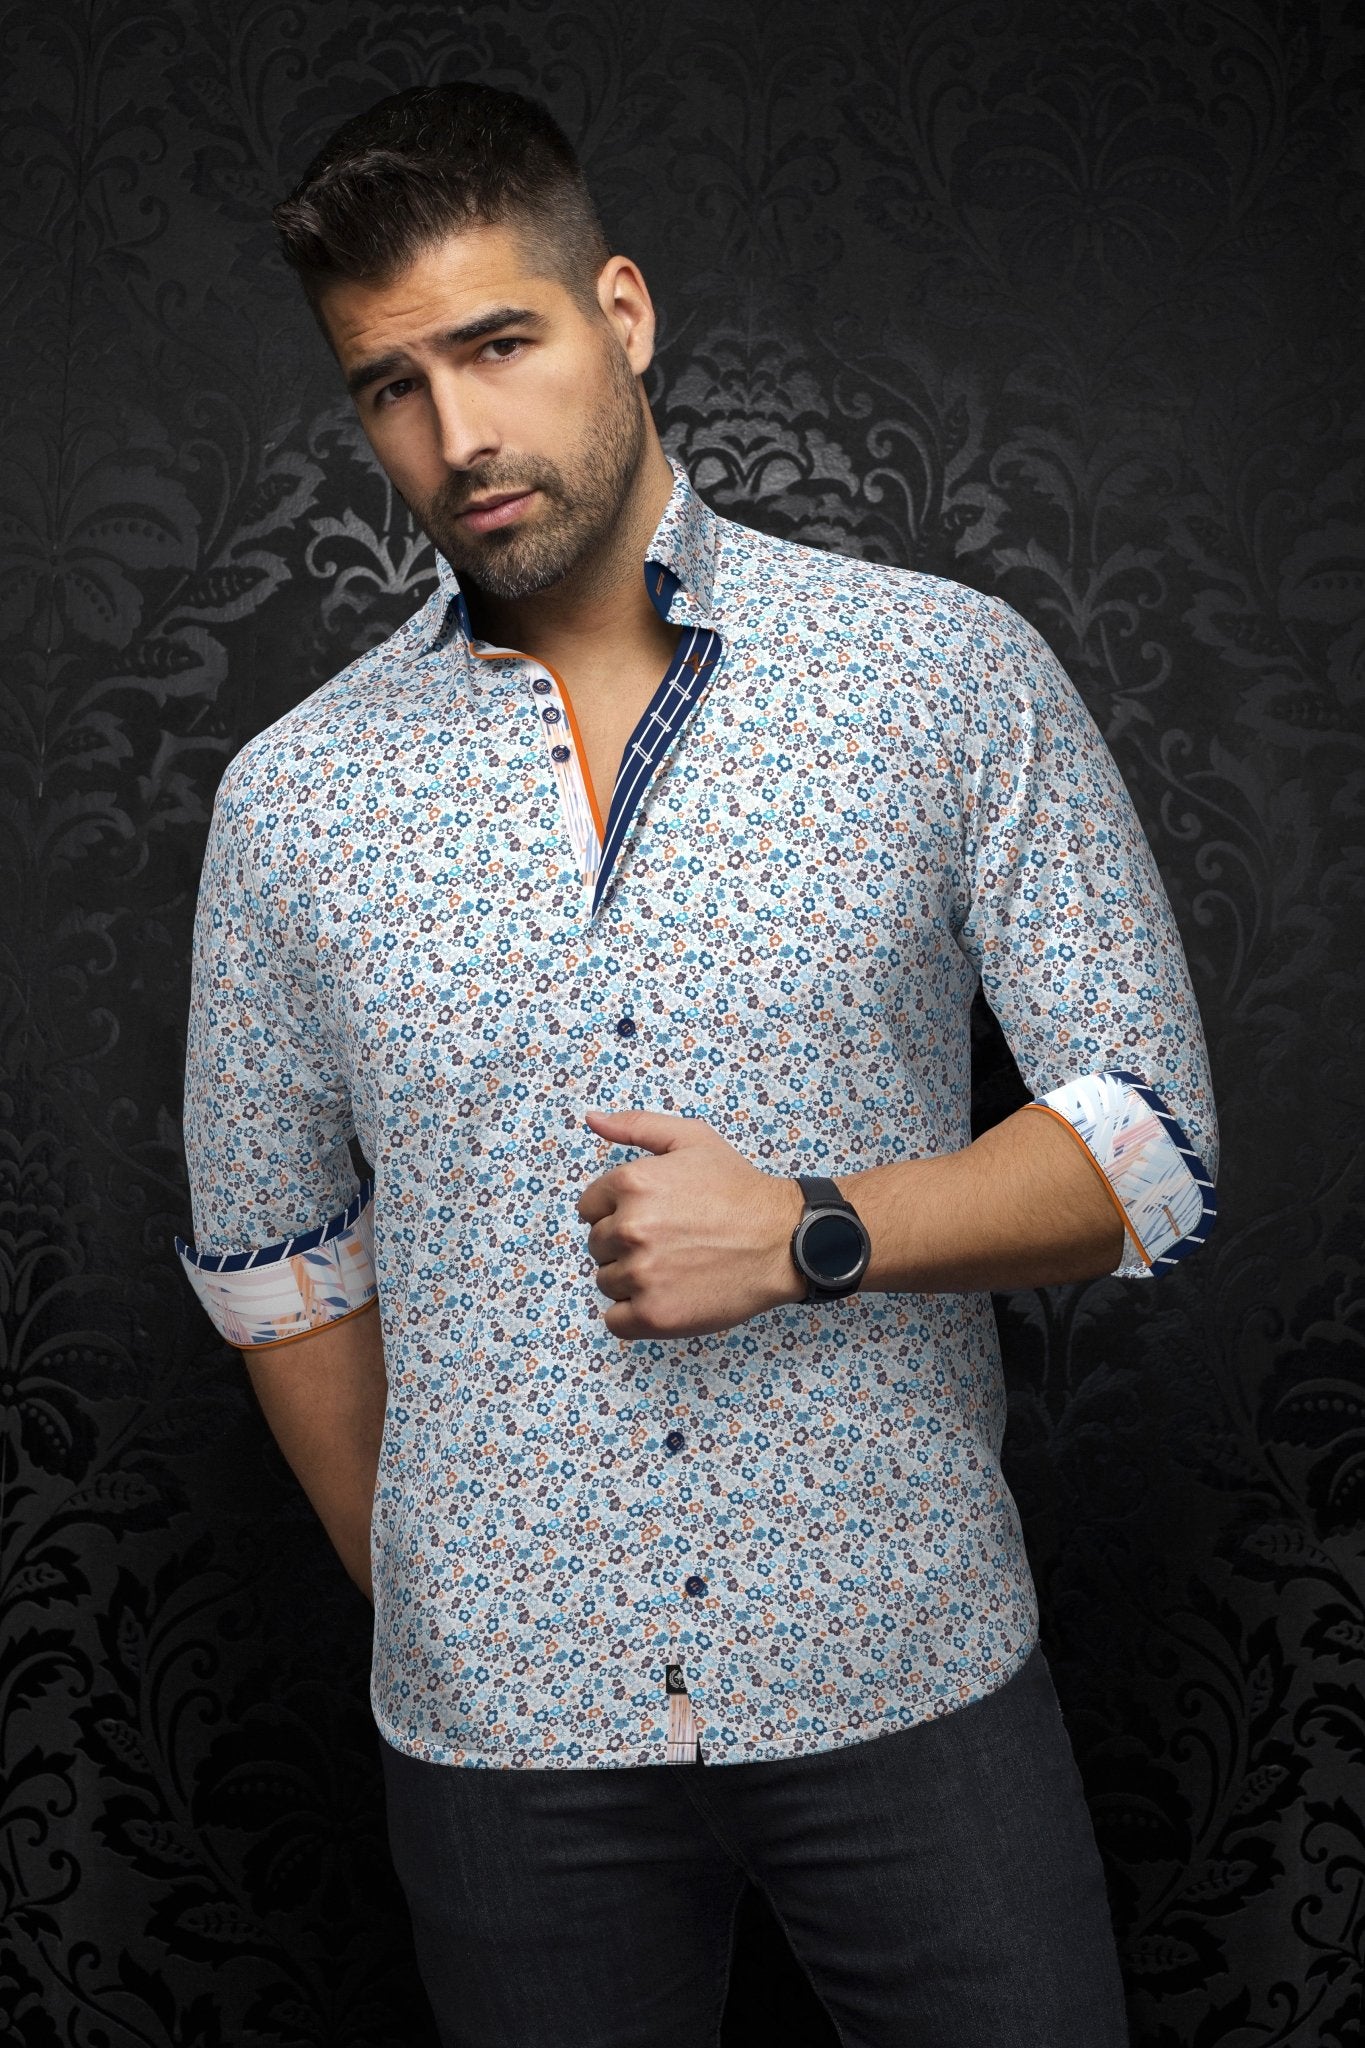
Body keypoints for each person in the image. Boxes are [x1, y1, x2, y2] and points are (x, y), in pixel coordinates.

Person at [175, 79, 1217, 2048]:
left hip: (904, 1665)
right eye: (391, 385)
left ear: (623, 313)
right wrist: (455, 1598)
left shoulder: (939, 674)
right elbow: (275, 1262)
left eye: (499, 342)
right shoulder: (292, 801)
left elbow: (1146, 1152)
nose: (457, 434)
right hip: (503, 1741)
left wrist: (813, 1231)